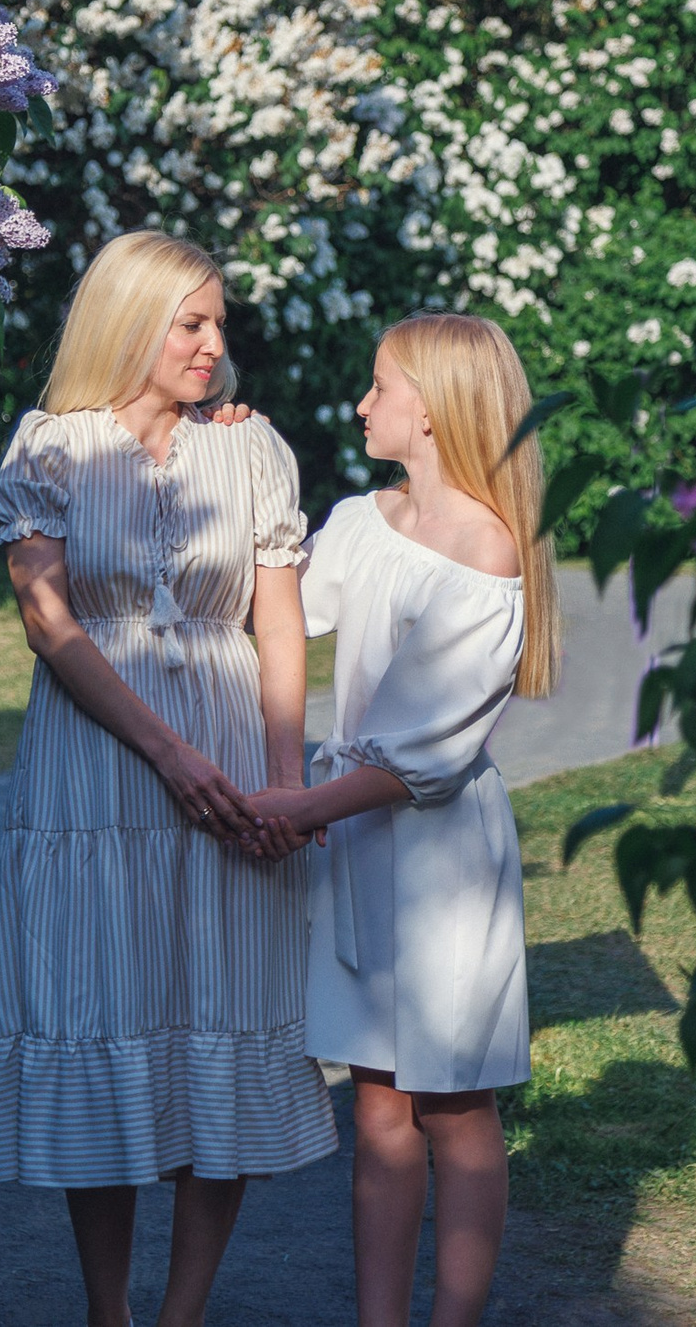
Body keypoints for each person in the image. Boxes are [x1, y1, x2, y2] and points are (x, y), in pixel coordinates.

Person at [0, 231, 337, 1327]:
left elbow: (278, 621)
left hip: (235, 757)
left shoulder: (253, 445)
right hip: (97, 766)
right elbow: (48, 622)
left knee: (223, 1014)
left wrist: (281, 782)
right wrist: (170, 756)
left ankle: (181, 1314)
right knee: (98, 1005)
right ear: (128, 323)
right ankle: (108, 1312)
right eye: (191, 322)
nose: (212, 344)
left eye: (216, 322)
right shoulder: (51, 448)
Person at [246, 313, 561, 1327]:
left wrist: (297, 809)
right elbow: (280, 602)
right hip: (359, 846)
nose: (360, 405)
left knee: (456, 1105)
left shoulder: (488, 550)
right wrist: (236, 458)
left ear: (426, 408)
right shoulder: (365, 520)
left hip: (438, 866)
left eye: (378, 387)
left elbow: (418, 757)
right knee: (378, 1102)